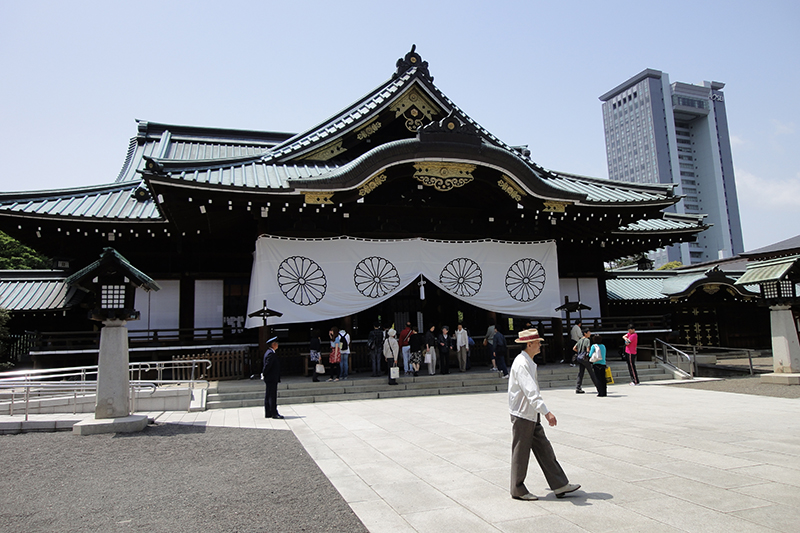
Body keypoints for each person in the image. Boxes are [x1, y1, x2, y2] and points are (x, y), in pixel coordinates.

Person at [508, 328, 580, 501]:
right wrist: (547, 412)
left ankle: (559, 484)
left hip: (530, 414)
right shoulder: (522, 363)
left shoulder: (527, 361)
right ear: (530, 344)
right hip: (523, 414)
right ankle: (517, 489)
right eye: (538, 342)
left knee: (544, 449)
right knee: (521, 452)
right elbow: (531, 391)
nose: (540, 344)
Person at [573, 327, 600, 394]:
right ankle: (598, 387)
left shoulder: (579, 340)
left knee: (581, 373)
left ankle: (578, 387)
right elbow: (588, 350)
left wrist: (579, 352)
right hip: (585, 358)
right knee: (591, 372)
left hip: (579, 358)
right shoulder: (587, 340)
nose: (590, 334)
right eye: (588, 332)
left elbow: (574, 348)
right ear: (585, 333)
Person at [262, 336, 283, 419]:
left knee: (268, 395)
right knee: (272, 396)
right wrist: (264, 374)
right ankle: (274, 413)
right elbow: (267, 366)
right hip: (271, 378)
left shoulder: (269, 352)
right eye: (276, 343)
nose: (277, 345)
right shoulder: (271, 354)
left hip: (270, 377)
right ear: (273, 344)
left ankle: (268, 412)